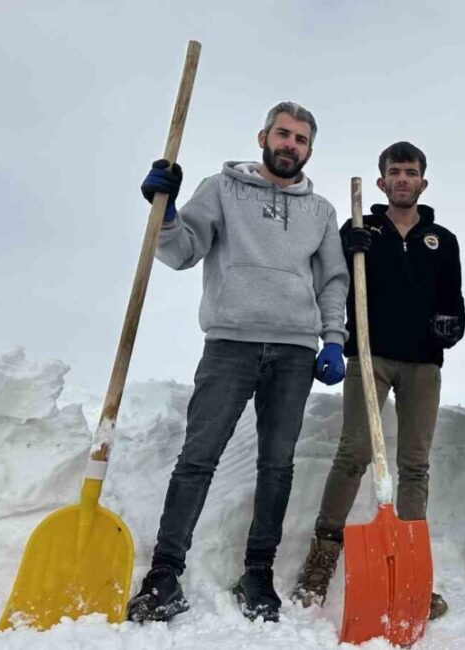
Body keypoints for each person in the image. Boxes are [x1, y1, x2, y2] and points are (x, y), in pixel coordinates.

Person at [127, 102, 349, 623]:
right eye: (282, 134)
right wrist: (166, 210)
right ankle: (164, 574)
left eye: (300, 139)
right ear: (262, 137)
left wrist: (333, 339)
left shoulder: (320, 212)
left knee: (277, 465)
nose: (290, 144)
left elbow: (333, 279)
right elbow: (182, 251)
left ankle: (257, 574)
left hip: (295, 351)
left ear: (309, 150)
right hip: (231, 343)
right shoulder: (221, 190)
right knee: (198, 456)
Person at [293, 142, 464, 619]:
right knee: (353, 452)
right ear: (383, 181)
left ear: (423, 182)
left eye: (411, 172)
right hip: (370, 354)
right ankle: (322, 555)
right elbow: (333, 283)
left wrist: (452, 326)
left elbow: (453, 296)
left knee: (415, 463)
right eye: (395, 172)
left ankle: (410, 561)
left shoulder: (442, 239)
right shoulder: (359, 229)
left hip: (423, 364)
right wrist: (349, 252)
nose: (403, 179)